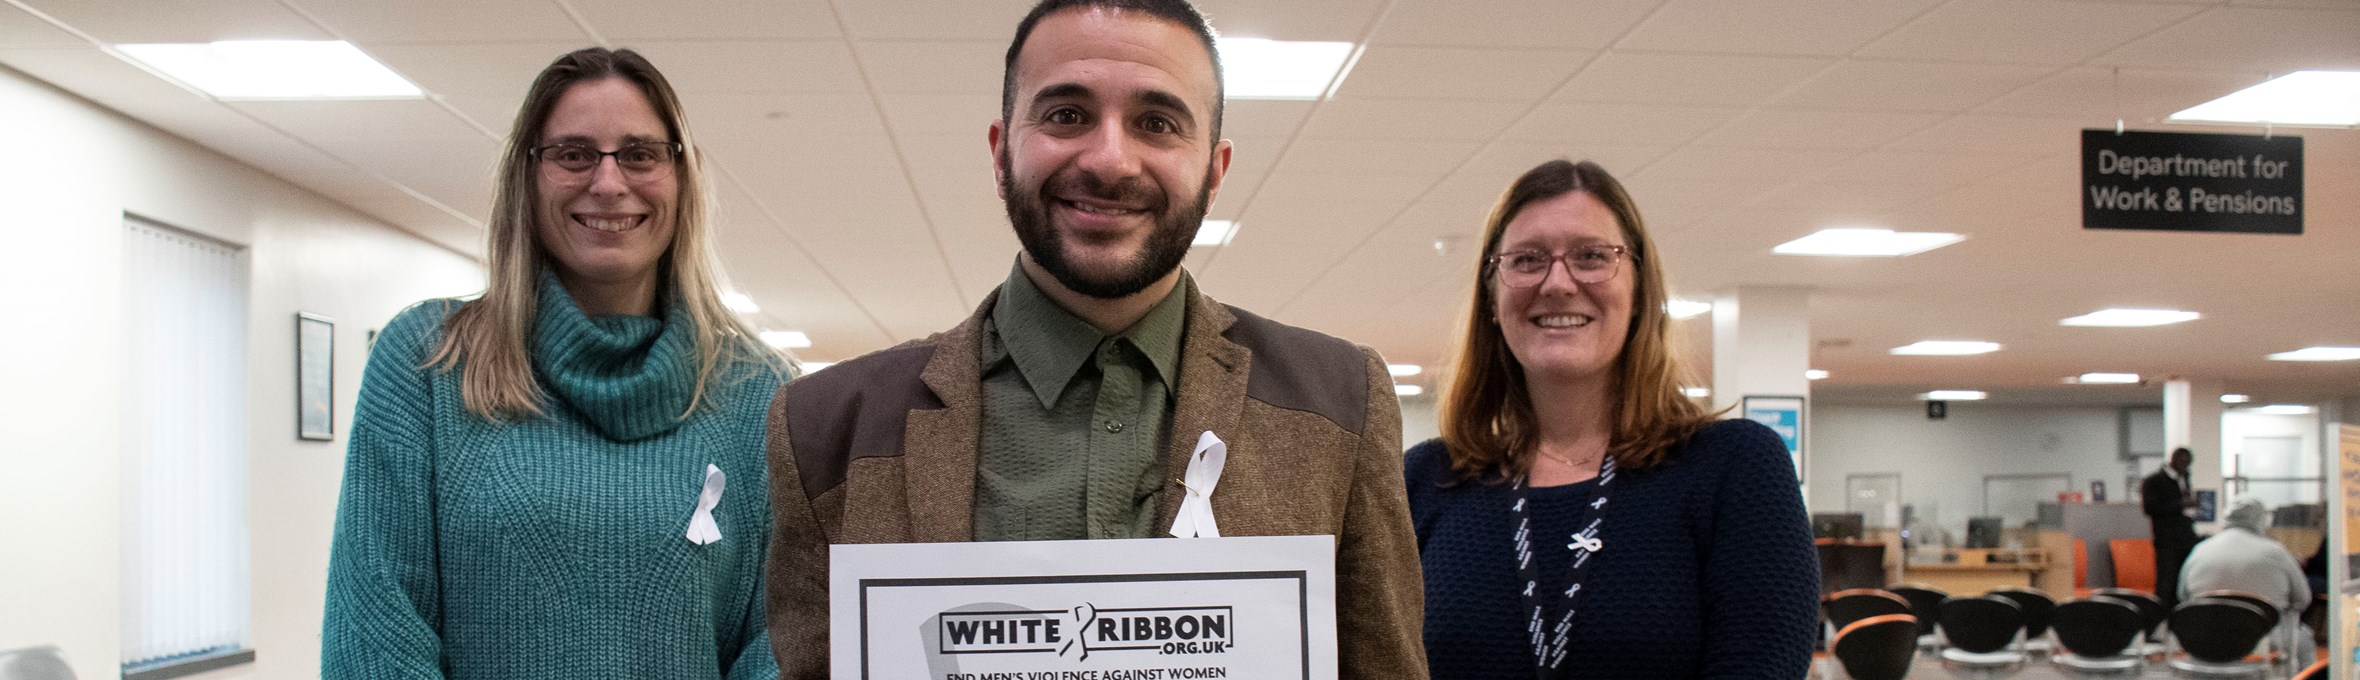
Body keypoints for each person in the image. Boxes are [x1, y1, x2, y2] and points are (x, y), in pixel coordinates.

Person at [761, 1, 1423, 677]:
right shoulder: (829, 428)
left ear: (1215, 172)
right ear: (1000, 153)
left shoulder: (1339, 404)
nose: (1110, 159)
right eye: (1066, 115)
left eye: (1157, 123)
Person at [323, 48, 786, 679]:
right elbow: (376, 627)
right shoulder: (430, 360)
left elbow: (783, 639)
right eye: (573, 154)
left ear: (683, 174)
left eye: (640, 153)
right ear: (528, 174)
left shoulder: (757, 390)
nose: (608, 182)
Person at [1405, 159, 1819, 678]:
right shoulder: (1424, 481)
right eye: (1527, 260)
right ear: (1492, 295)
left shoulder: (1734, 467)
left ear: (1640, 291)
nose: (1558, 282)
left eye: (1592, 256)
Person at [2181, 498, 2311, 667]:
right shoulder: (2276, 552)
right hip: (2265, 642)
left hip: (2208, 639)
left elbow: (2183, 596)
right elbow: (2303, 599)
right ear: (2261, 520)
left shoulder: (2200, 550)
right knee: (2304, 640)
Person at [2143, 446, 2201, 608]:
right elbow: (2150, 508)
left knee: (2183, 585)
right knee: (2165, 584)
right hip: (2167, 541)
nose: (2185, 466)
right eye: (2183, 462)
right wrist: (2180, 504)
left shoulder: (2183, 480)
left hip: (2186, 539)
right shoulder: (2154, 481)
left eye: (2188, 463)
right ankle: (2160, 621)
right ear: (2173, 459)